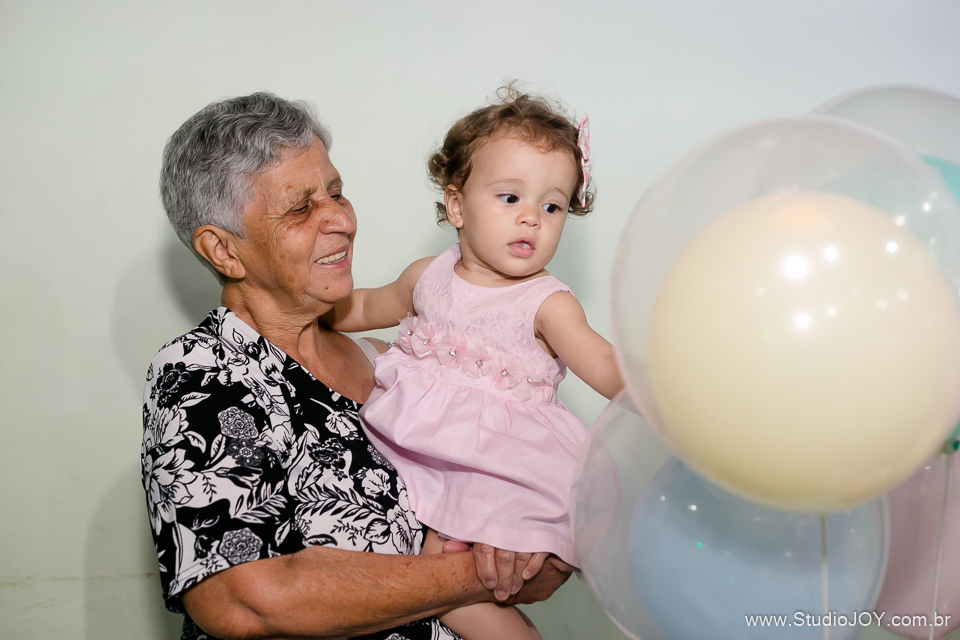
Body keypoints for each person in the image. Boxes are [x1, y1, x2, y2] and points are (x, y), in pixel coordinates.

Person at [141, 92, 573, 640]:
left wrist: (540, 543)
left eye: (336, 192)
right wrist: (484, 573)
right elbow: (246, 599)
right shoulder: (203, 375)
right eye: (300, 208)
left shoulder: (402, 365)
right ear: (224, 250)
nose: (342, 220)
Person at [321, 87, 624, 640]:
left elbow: (601, 360)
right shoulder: (427, 276)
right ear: (457, 205)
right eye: (510, 198)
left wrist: (663, 394)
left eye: (552, 206)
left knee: (471, 576)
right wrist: (310, 308)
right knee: (425, 567)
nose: (531, 219)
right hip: (422, 447)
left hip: (500, 466)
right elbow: (364, 307)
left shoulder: (547, 303)